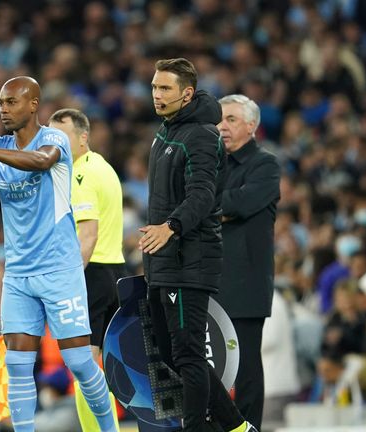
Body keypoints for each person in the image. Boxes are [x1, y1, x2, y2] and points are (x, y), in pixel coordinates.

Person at [0, 76, 116, 432]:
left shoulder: (53, 139)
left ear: (34, 105)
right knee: (18, 365)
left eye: (12, 102)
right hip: (19, 276)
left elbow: (40, 161)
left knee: (80, 362)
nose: (4, 109)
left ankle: (109, 431)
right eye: (0, 103)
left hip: (59, 269)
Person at [139, 58, 256, 432]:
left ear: (186, 93)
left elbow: (203, 195)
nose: (156, 95)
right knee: (174, 354)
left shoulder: (202, 136)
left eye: (165, 89)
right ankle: (237, 427)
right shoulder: (166, 131)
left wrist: (170, 227)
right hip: (164, 257)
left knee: (187, 355)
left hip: (189, 259)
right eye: (155, 87)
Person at [48, 108, 124, 430]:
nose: (56, 144)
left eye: (63, 137)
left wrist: (70, 279)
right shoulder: (102, 167)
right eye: (52, 137)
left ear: (83, 137)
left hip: (91, 274)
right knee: (99, 363)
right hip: (114, 271)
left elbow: (88, 235)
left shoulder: (80, 174)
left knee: (84, 364)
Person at [213, 94, 281, 430]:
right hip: (212, 280)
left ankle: (249, 427)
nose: (222, 126)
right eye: (220, 120)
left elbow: (239, 204)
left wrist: (210, 207)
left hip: (246, 283)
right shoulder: (212, 165)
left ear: (252, 126)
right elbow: (222, 205)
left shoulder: (265, 165)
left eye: (231, 120)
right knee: (213, 365)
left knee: (246, 367)